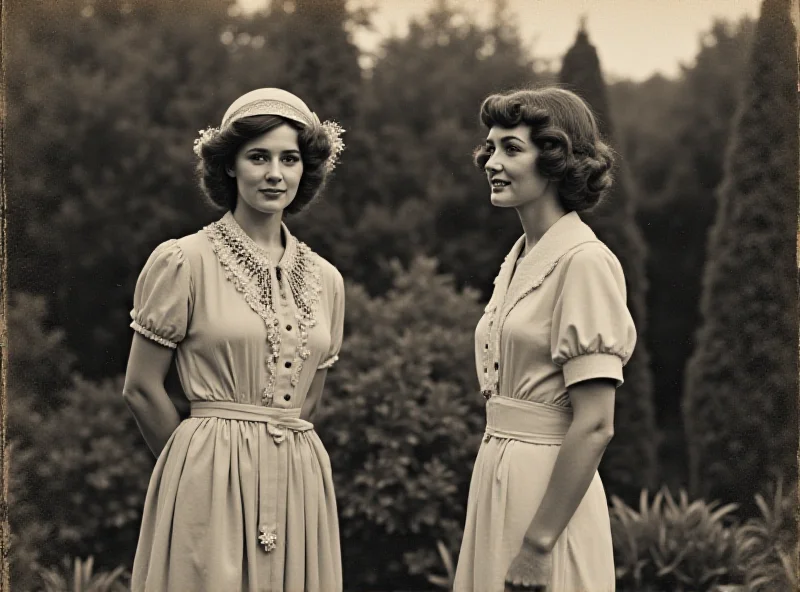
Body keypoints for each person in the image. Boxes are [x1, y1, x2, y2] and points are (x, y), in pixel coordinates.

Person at [122, 88, 346, 592]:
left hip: (297, 482)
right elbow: (140, 388)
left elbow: (310, 396)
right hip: (207, 480)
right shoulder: (184, 260)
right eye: (258, 157)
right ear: (229, 166)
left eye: (289, 159)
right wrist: (195, 471)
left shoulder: (327, 280)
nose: (275, 174)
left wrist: (273, 458)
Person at [453, 87, 637, 592]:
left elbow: (596, 423)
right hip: (497, 476)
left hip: (548, 499)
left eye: (512, 149)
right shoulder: (519, 257)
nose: (492, 161)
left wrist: (537, 547)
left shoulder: (584, 261)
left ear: (556, 161)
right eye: (491, 148)